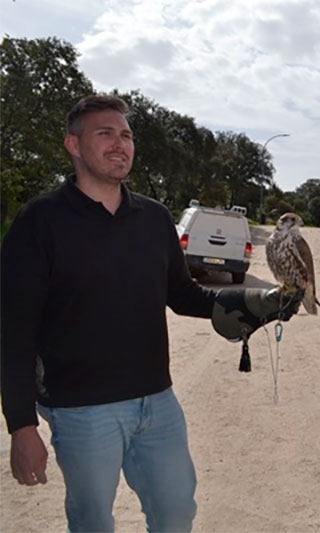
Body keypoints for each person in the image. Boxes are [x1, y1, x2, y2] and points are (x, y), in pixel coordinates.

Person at [0, 94, 300, 532]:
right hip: (80, 410)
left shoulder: (154, 219)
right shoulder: (39, 222)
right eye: (105, 134)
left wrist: (250, 304)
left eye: (126, 135)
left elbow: (182, 294)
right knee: (92, 523)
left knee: (176, 512)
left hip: (156, 402)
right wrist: (22, 427)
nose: (120, 144)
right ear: (73, 144)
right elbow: (13, 330)